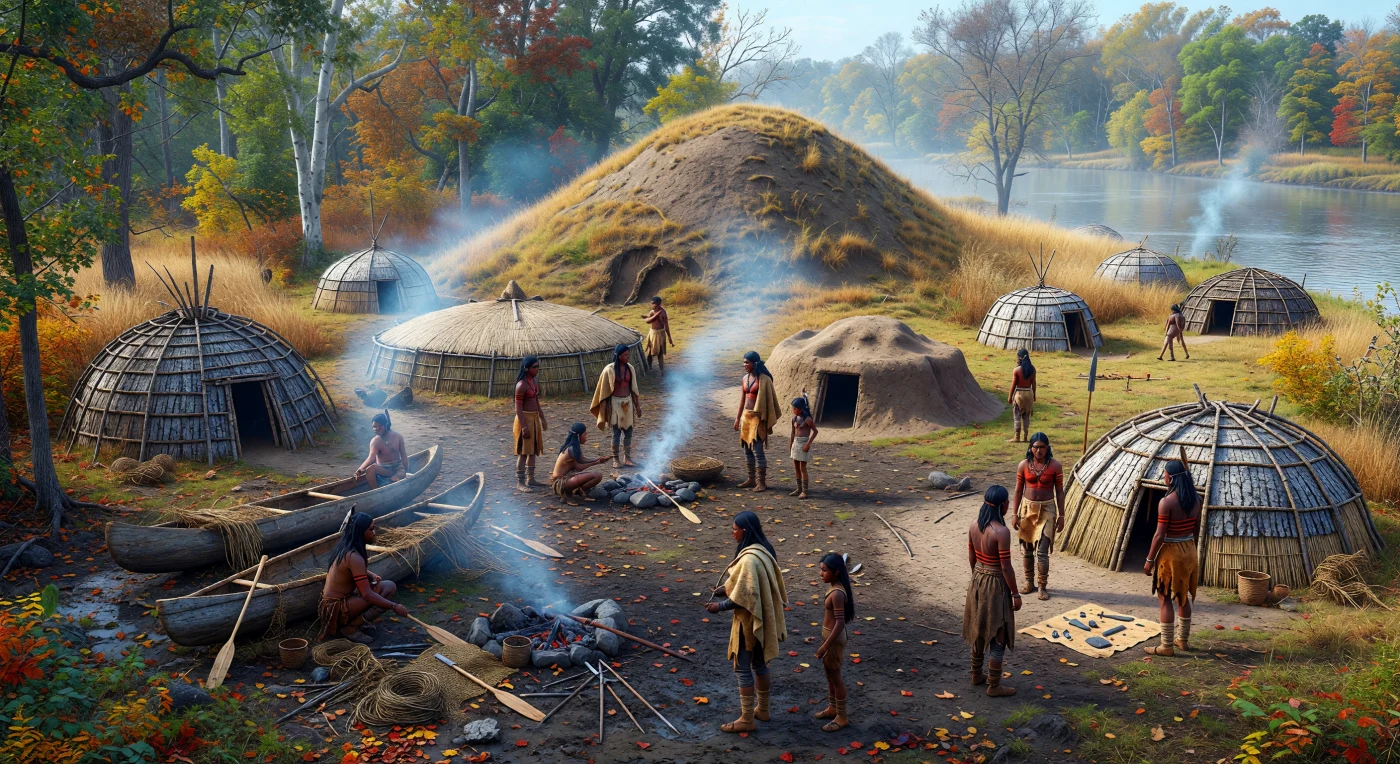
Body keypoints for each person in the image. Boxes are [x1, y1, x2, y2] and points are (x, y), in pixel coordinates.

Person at [705, 511, 787, 733]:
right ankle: (763, 710)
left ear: (745, 531)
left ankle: (747, 719)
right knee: (759, 664)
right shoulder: (765, 550)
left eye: (734, 529)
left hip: (749, 624)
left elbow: (746, 597)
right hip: (763, 618)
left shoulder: (750, 558)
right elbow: (748, 587)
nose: (732, 533)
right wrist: (725, 590)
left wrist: (719, 607)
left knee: (742, 668)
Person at [963, 486, 1020, 697]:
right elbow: (1005, 567)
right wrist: (1015, 594)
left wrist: (976, 579)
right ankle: (994, 686)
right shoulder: (1001, 532)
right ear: (1002, 505)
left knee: (978, 628)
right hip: (995, 584)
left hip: (978, 578)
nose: (1009, 506)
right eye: (1007, 503)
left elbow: (971, 557)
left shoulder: (973, 526)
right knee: (999, 634)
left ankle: (976, 674)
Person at [318, 513, 409, 644]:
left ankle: (356, 621)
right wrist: (394, 606)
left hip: (334, 603)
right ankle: (351, 628)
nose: (374, 532)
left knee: (385, 586)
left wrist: (370, 575)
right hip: (336, 608)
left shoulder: (346, 548)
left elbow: (352, 570)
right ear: (360, 532)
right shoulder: (354, 557)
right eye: (371, 529)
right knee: (388, 589)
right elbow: (367, 595)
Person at [1143, 454, 1200, 656]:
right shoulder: (1197, 499)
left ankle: (1166, 646)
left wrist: (1150, 559)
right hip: (1190, 551)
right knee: (1182, 597)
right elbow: (1196, 529)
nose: (1164, 478)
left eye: (1165, 475)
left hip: (1171, 554)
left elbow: (1159, 535)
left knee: (1165, 597)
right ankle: (1182, 641)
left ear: (1172, 478)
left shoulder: (1166, 502)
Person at [1012, 432, 1065, 601]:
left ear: (1047, 448)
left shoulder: (1055, 466)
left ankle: (1042, 586)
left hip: (1048, 509)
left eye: (1042, 447)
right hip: (1027, 509)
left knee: (1042, 552)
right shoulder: (1024, 465)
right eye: (1036, 447)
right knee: (1027, 551)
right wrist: (1015, 514)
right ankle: (1029, 582)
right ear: (1031, 448)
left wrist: (1061, 515)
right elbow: (1018, 490)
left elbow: (1060, 492)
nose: (1039, 451)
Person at [814, 552, 854, 731]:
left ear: (836, 572)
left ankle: (842, 716)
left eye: (824, 570)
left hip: (834, 639)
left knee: (836, 678)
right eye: (820, 569)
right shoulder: (833, 587)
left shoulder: (837, 593)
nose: (820, 573)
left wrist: (825, 645)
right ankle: (833, 708)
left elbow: (839, 623)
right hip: (830, 637)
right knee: (829, 674)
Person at [734, 351, 781, 492]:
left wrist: (761, 419)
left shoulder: (764, 379)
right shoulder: (745, 379)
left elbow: (767, 401)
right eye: (744, 362)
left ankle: (761, 482)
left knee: (758, 451)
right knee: (747, 450)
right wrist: (737, 418)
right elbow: (743, 399)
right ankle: (751, 479)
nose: (744, 365)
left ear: (754, 363)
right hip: (746, 417)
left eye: (747, 362)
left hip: (758, 419)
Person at [588, 344, 642, 468]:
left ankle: (627, 458)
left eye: (628, 355)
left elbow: (634, 389)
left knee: (629, 431)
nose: (627, 357)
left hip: (627, 403)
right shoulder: (609, 370)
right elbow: (604, 390)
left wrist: (637, 406)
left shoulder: (630, 369)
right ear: (618, 356)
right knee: (616, 432)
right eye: (624, 355)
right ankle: (615, 459)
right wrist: (604, 408)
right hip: (615, 403)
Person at [550, 423, 609, 503]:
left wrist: (598, 460)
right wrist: (597, 462)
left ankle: (575, 491)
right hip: (560, 483)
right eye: (585, 435)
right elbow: (579, 467)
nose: (586, 438)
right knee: (597, 475)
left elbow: (583, 460)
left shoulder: (573, 448)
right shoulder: (571, 450)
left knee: (596, 475)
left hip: (565, 480)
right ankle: (567, 494)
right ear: (578, 436)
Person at [514, 356, 547, 492]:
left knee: (533, 450)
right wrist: (524, 427)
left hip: (534, 419)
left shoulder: (533, 381)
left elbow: (537, 402)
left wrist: (542, 418)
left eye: (538, 366)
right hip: (524, 419)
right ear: (527, 369)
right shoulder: (521, 385)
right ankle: (520, 482)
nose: (537, 369)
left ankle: (531, 479)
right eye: (534, 367)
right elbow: (518, 408)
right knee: (523, 452)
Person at [354, 412, 408, 489]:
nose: (377, 429)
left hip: (397, 468)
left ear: (386, 425)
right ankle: (375, 491)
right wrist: (360, 469)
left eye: (380, 426)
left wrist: (406, 471)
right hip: (384, 469)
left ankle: (392, 480)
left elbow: (404, 456)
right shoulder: (375, 441)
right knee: (370, 469)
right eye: (374, 427)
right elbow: (371, 458)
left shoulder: (398, 436)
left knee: (396, 478)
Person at [789, 394, 818, 498]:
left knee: (803, 468)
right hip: (796, 444)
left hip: (804, 443)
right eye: (793, 408)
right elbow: (792, 433)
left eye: (795, 408)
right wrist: (791, 444)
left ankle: (804, 491)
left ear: (801, 409)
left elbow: (815, 431)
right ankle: (798, 488)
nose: (793, 410)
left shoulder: (808, 420)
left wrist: (808, 444)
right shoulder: (794, 419)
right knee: (796, 467)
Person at [1006, 349, 1037, 442]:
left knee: (1017, 415)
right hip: (1029, 393)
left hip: (1019, 394)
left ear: (1019, 358)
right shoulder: (1032, 369)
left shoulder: (1017, 370)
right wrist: (1034, 395)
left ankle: (1017, 437)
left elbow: (1014, 384)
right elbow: (1034, 383)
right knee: (1026, 416)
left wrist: (1010, 396)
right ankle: (1025, 437)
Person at [641, 296, 674, 372]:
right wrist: (646, 316)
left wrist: (669, 337)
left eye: (654, 304)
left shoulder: (663, 313)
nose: (653, 305)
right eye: (652, 304)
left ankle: (662, 370)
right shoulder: (652, 311)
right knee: (650, 351)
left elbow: (666, 326)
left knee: (660, 352)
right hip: (652, 333)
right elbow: (648, 320)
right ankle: (649, 367)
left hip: (660, 334)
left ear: (658, 304)